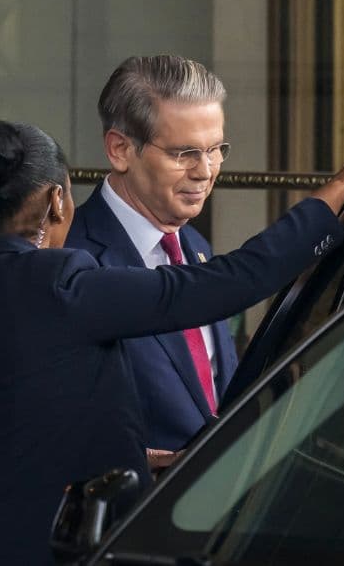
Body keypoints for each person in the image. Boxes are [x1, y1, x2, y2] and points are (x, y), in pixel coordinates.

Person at [0, 114, 344, 565]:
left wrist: (122, 455)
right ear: (57, 200)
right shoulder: (66, 285)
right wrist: (336, 194)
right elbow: (228, 283)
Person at [66, 56, 237, 470]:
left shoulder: (195, 246)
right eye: (185, 153)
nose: (206, 171)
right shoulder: (71, 260)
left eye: (216, 150)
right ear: (121, 149)